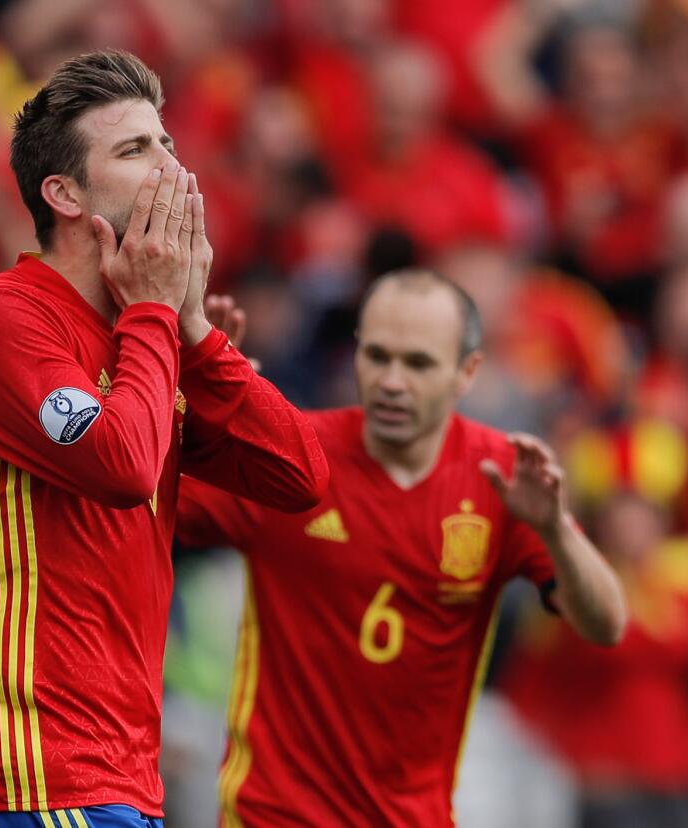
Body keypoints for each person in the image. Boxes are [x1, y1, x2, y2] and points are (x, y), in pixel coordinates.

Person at [0, 50, 328, 828]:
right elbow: (122, 467)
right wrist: (154, 314)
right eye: (135, 149)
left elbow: (302, 477)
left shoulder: (142, 336)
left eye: (168, 143)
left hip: (116, 775)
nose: (171, 167)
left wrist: (196, 332)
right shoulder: (3, 316)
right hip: (38, 774)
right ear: (65, 194)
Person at [177, 270, 628, 827]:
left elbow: (605, 625)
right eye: (377, 356)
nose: (392, 381)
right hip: (273, 812)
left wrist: (556, 529)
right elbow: (143, 510)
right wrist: (189, 417)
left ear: (467, 374)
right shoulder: (290, 456)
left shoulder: (502, 478)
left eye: (417, 364)